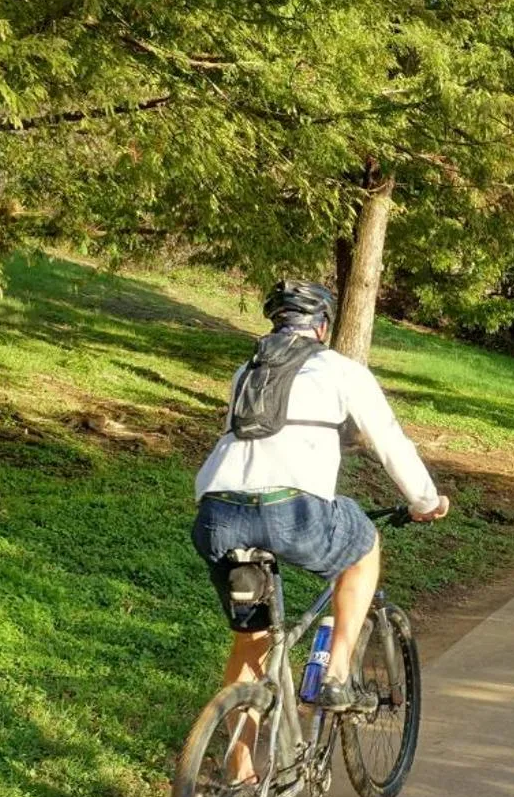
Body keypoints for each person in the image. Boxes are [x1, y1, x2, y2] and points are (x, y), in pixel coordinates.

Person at [191, 280, 449, 714]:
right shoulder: (341, 370)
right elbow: (388, 440)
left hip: (218, 514)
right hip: (290, 510)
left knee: (251, 639)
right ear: (323, 326)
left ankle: (240, 771)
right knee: (363, 548)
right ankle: (336, 674)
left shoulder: (246, 372)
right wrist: (425, 501)